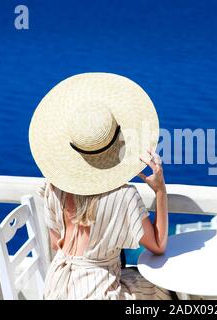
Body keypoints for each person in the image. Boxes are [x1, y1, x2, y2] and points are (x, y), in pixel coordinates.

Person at [28, 72, 173, 299]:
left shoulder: (53, 187)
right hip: (98, 290)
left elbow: (57, 244)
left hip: (56, 286)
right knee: (163, 291)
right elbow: (158, 245)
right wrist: (160, 191)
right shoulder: (124, 196)